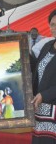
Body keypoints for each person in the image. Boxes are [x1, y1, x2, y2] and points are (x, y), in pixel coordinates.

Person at [31, 9, 56, 144]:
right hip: (40, 110)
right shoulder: (47, 45)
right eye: (52, 24)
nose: (54, 28)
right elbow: (37, 70)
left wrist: (44, 95)